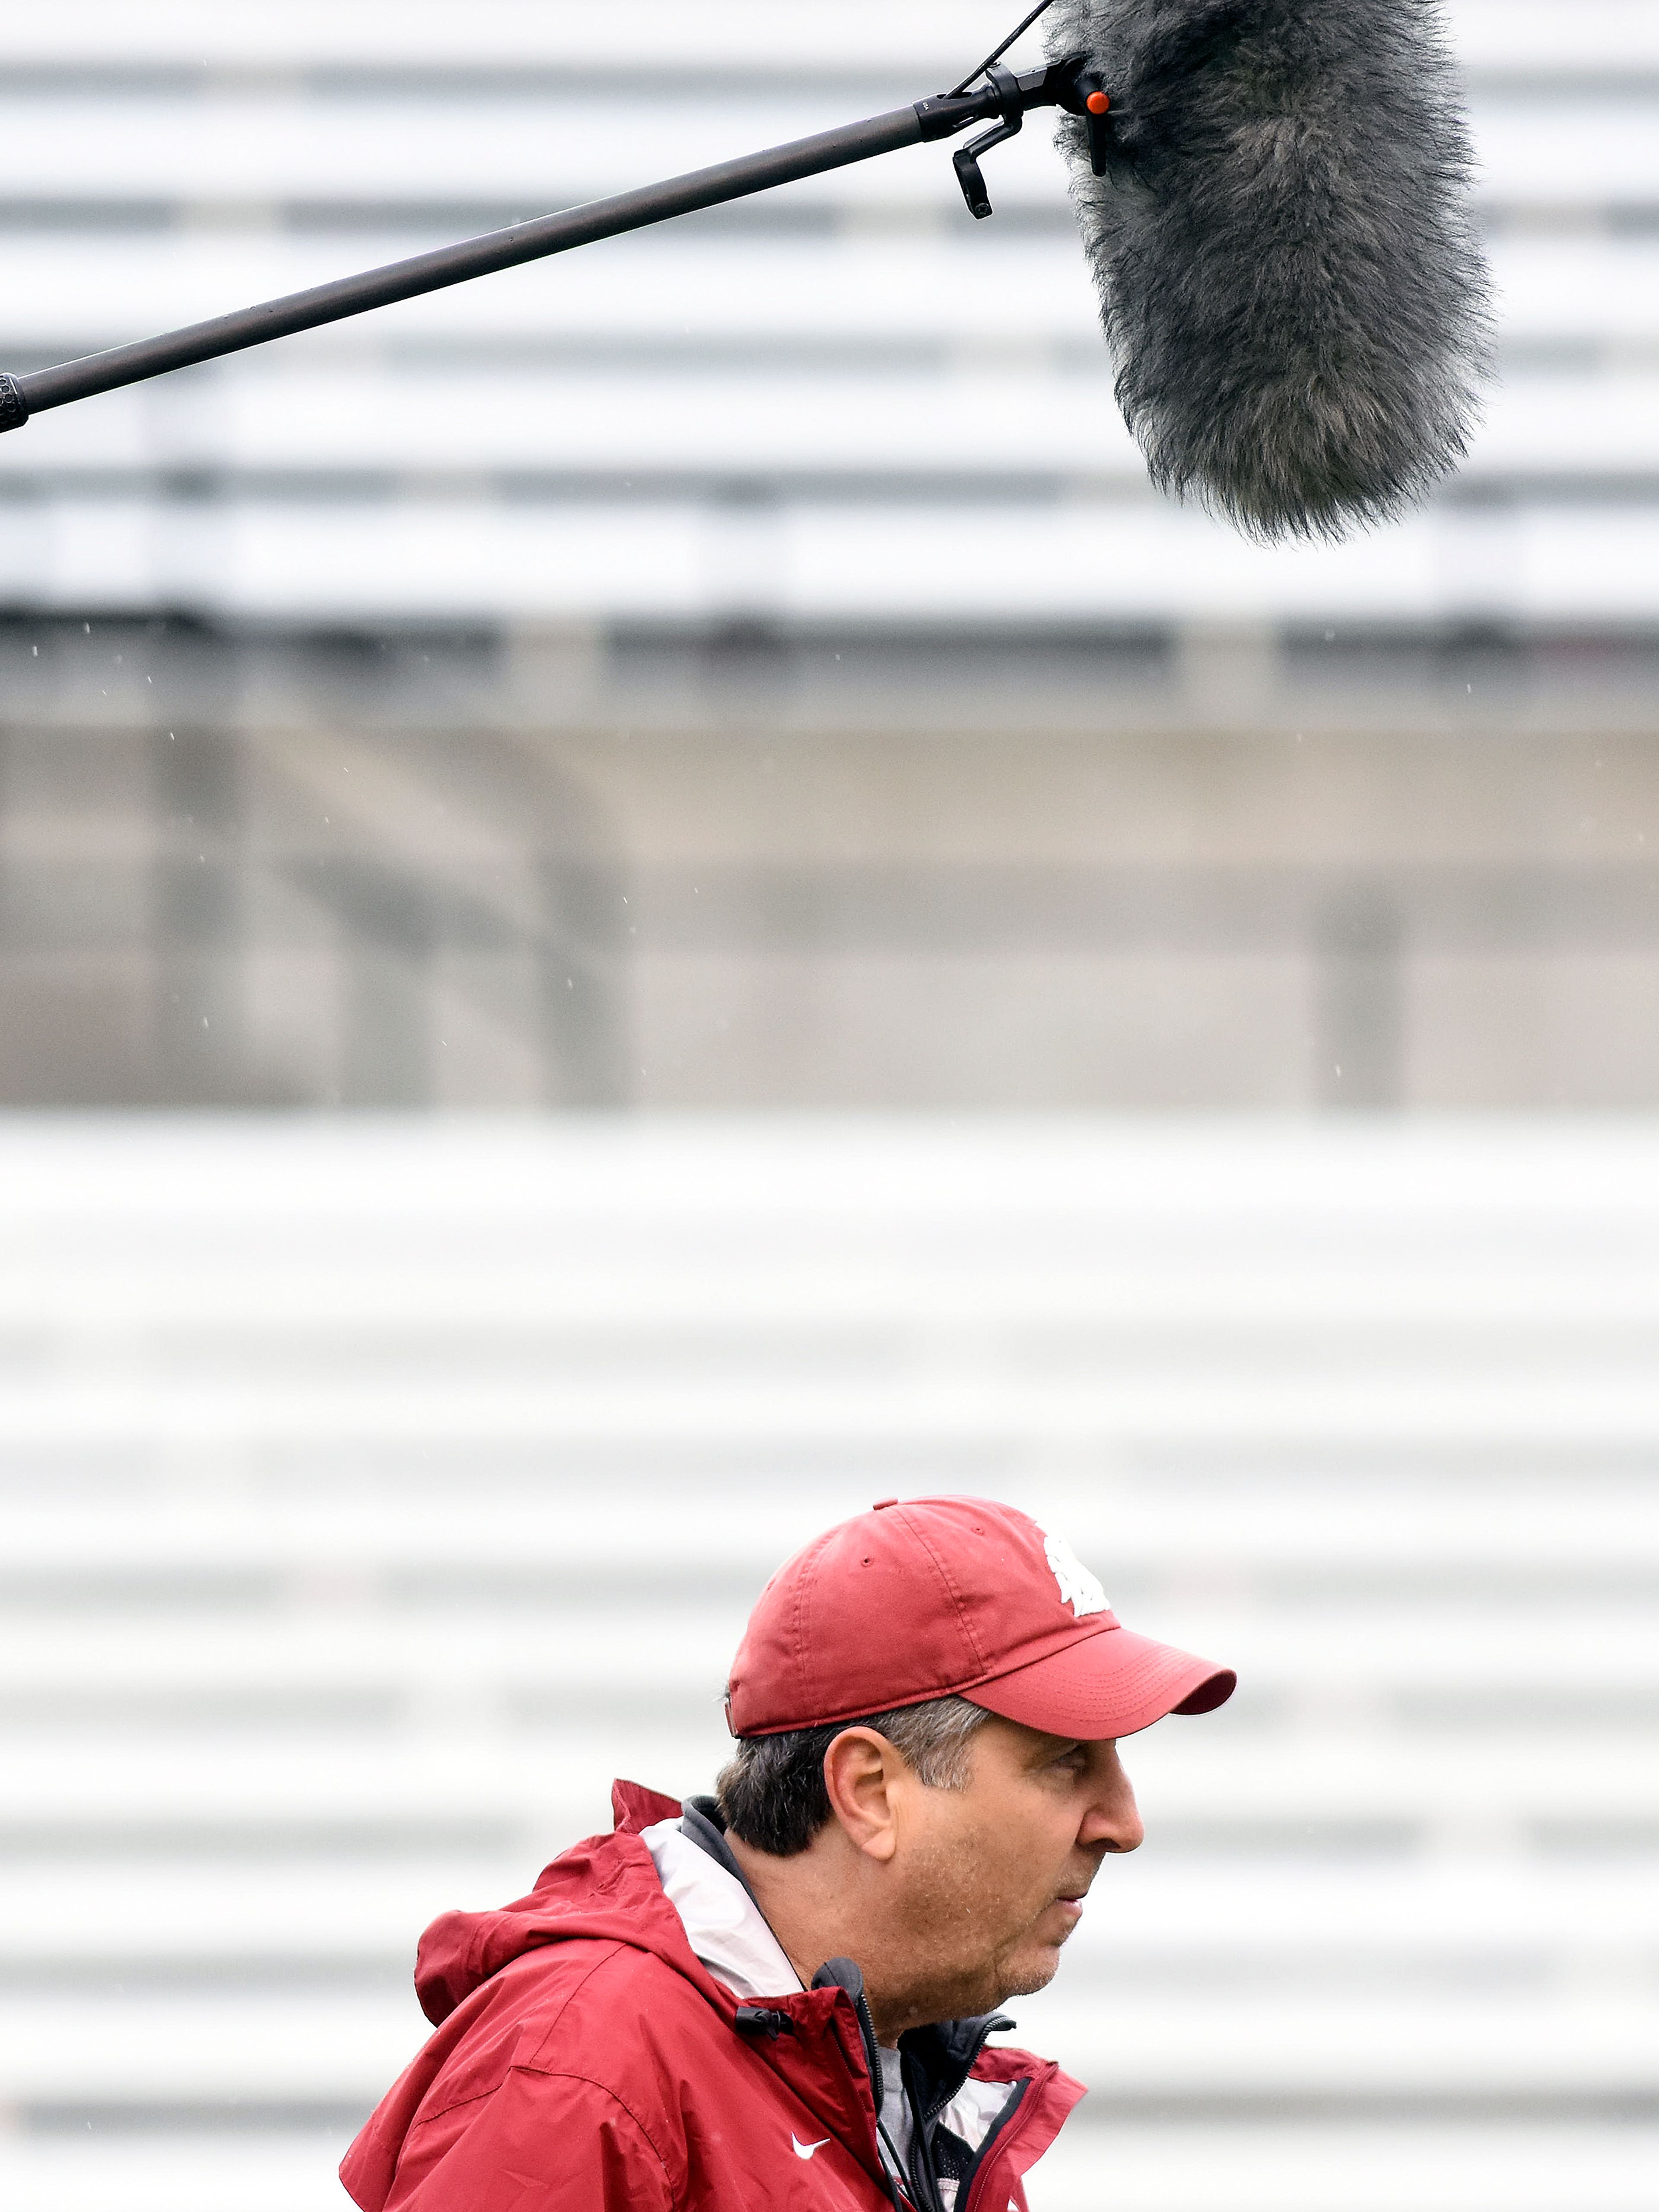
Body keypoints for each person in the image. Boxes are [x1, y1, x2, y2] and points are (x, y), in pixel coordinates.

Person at [341, 1496, 1234, 2211]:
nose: (1123, 1820)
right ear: (871, 1793)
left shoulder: (909, 2077)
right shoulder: (587, 2070)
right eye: (1065, 1762)